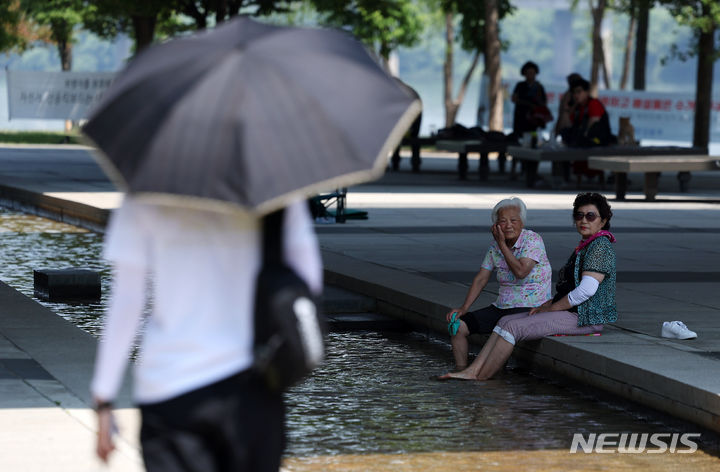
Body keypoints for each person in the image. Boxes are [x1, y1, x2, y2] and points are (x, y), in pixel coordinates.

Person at [91, 197, 322, 471]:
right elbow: (308, 281)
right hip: (253, 384)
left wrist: (104, 396)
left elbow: (128, 300)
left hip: (170, 385)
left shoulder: (146, 192)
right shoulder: (277, 192)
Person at [439, 192, 616, 381]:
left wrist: (552, 308)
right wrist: (548, 305)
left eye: (590, 216)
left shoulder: (600, 246)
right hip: (571, 313)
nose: (583, 220)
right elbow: (481, 278)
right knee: (504, 323)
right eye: (579, 215)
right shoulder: (587, 245)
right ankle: (472, 371)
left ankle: (481, 379)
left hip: (585, 318)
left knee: (512, 327)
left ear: (603, 221)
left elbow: (586, 291)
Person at [445, 197, 552, 370]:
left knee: (502, 328)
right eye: (502, 221)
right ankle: (461, 371)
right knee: (458, 326)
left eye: (513, 220)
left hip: (530, 307)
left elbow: (521, 272)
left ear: (522, 222)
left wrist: (502, 244)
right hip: (502, 307)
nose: (508, 225)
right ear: (495, 225)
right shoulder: (495, 247)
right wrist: (463, 308)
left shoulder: (532, 240)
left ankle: (486, 377)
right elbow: (481, 278)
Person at [511, 61, 549, 177]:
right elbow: (514, 99)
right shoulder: (520, 85)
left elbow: (544, 103)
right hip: (520, 121)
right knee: (518, 145)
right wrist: (527, 104)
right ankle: (516, 170)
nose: (530, 75)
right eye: (528, 73)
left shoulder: (539, 87)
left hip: (533, 123)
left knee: (533, 145)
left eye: (532, 73)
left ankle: (532, 171)